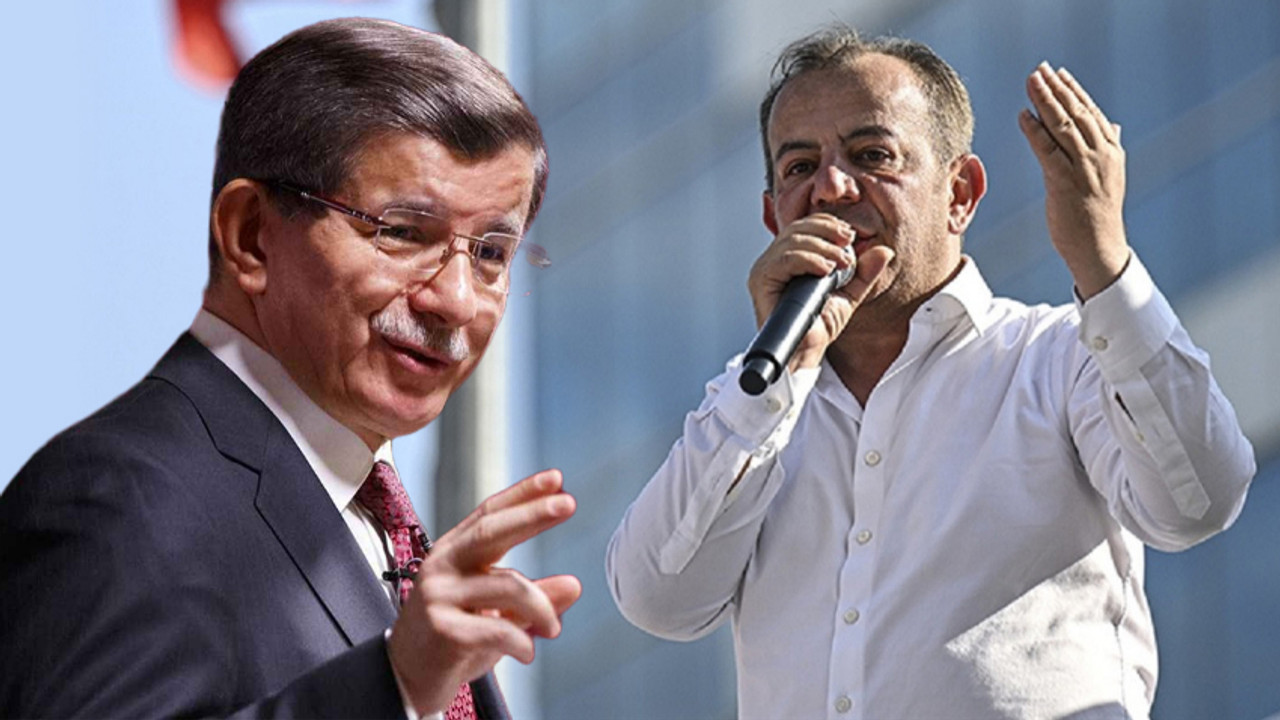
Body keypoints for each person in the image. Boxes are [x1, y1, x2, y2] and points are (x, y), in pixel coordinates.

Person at [606, 25, 1256, 719]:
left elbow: (1199, 499)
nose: (830, 187)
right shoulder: (752, 407)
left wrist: (1104, 259)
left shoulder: (1058, 356)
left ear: (960, 194)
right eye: (798, 167)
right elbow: (656, 599)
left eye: (872, 155)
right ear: (773, 216)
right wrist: (774, 384)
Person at [0, 18, 579, 720]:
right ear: (250, 235)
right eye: (402, 232)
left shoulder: (381, 528)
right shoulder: (119, 497)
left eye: (490, 253)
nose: (457, 301)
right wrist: (394, 685)